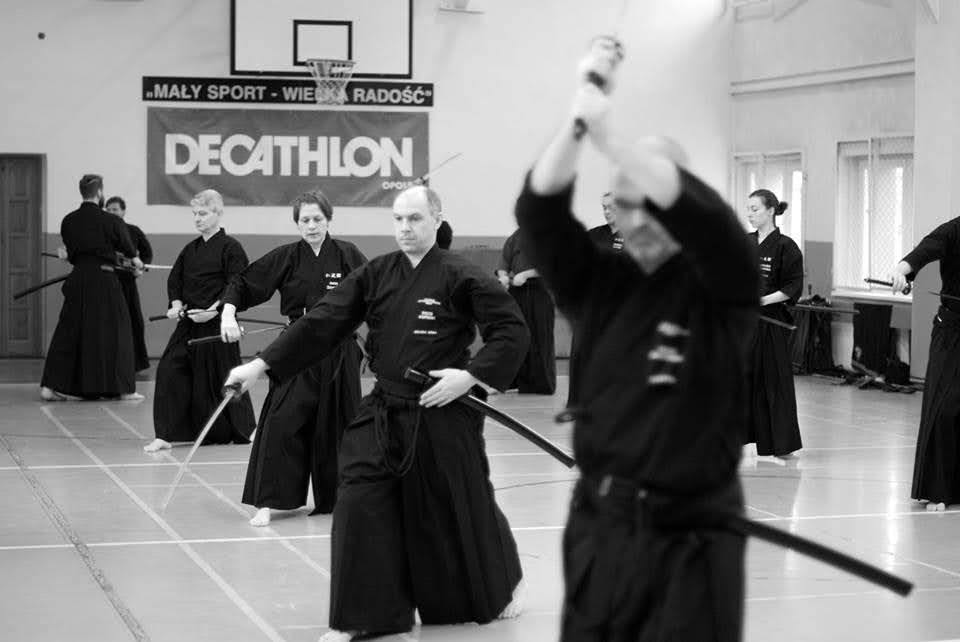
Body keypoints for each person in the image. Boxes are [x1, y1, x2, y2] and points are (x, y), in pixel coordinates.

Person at [516, 37, 758, 641]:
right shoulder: (598, 283)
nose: (638, 217)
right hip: (601, 525)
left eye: (654, 202)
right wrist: (578, 121)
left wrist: (611, 137)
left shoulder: (723, 280)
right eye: (625, 204)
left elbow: (709, 220)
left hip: (691, 533)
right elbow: (540, 210)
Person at [225, 185, 529, 641]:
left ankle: (501, 587)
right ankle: (362, 617)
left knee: (460, 503)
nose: (405, 228)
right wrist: (261, 365)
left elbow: (511, 330)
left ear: (437, 219)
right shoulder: (377, 273)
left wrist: (469, 377)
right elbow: (323, 320)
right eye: (398, 219)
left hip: (442, 407)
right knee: (357, 501)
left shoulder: (462, 275)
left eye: (415, 219)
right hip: (385, 408)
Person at [220, 190, 367, 525]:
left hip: (340, 350)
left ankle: (342, 499)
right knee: (280, 421)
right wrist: (228, 312)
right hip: (295, 349)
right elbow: (244, 283)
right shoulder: (286, 257)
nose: (311, 226)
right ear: (297, 224)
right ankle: (269, 501)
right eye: (305, 220)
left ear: (328, 220)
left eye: (317, 219)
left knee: (340, 426)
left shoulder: (348, 254)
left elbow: (376, 294)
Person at [144, 189, 255, 452]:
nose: (197, 218)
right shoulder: (190, 249)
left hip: (219, 323)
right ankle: (165, 434)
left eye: (203, 213)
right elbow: (176, 280)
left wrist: (215, 310)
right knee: (169, 369)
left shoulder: (231, 248)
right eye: (194, 214)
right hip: (189, 323)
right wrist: (176, 304)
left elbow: (237, 283)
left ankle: (246, 429)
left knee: (226, 375)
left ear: (218, 213)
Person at [40, 175, 143, 401]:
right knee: (118, 331)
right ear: (99, 193)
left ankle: (49, 386)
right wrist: (137, 263)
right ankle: (124, 389)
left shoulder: (68, 221)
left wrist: (69, 256)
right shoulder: (111, 221)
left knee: (69, 330)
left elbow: (73, 255)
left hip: (78, 279)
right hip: (105, 280)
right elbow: (130, 251)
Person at [890, 215, 960, 511]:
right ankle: (938, 489)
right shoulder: (954, 230)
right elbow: (926, 249)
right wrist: (902, 270)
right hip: (953, 331)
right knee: (944, 408)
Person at [743, 189, 804, 459]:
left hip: (772, 322)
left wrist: (764, 300)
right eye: (748, 209)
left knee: (775, 381)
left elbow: (793, 286)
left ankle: (782, 444)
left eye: (755, 209)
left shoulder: (786, 246)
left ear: (770, 211)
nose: (749, 214)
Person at [497, 230, 557, 393]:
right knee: (516, 334)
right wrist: (503, 276)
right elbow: (504, 262)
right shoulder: (515, 237)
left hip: (540, 288)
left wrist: (526, 274)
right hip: (517, 289)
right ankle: (513, 381)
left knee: (540, 335)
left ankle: (542, 384)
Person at [105, 196, 154, 373]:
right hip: (106, 283)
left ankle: (136, 363)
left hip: (127, 283)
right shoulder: (102, 232)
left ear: (123, 211)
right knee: (109, 323)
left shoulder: (133, 231)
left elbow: (147, 253)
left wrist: (141, 269)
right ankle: (109, 362)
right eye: (108, 210)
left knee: (134, 322)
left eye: (115, 209)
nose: (112, 212)